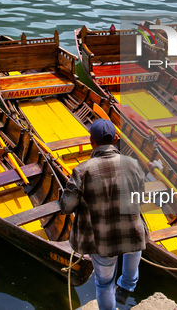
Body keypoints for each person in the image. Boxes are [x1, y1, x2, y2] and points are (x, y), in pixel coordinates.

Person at [60, 119, 147, 310]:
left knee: (104, 284)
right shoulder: (133, 164)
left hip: (102, 240)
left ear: (92, 142)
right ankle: (126, 288)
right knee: (134, 249)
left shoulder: (82, 171)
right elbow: (141, 196)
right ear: (116, 139)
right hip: (132, 231)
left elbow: (66, 207)